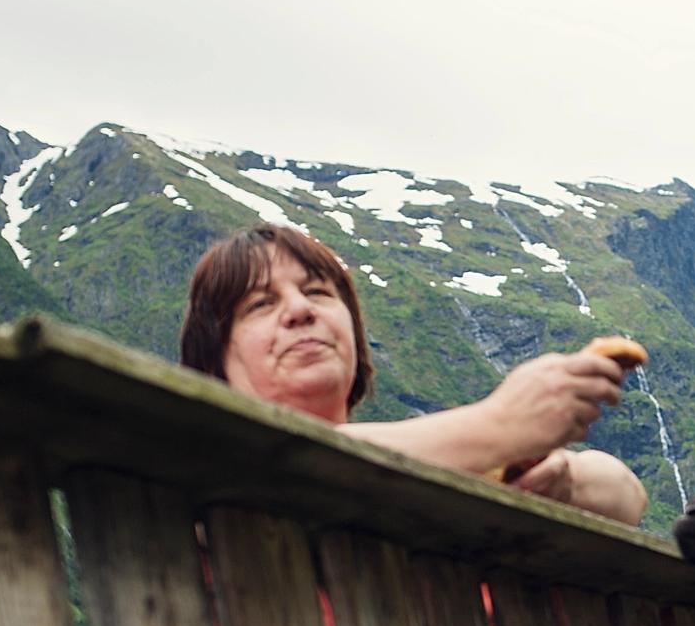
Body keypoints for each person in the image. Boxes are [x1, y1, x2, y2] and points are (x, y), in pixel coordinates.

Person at [178, 223, 648, 525]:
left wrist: (561, 477)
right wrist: (500, 426)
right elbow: (284, 467)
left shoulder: (435, 457)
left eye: (318, 292)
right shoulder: (206, 470)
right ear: (214, 361)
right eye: (261, 304)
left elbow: (627, 498)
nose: (300, 310)